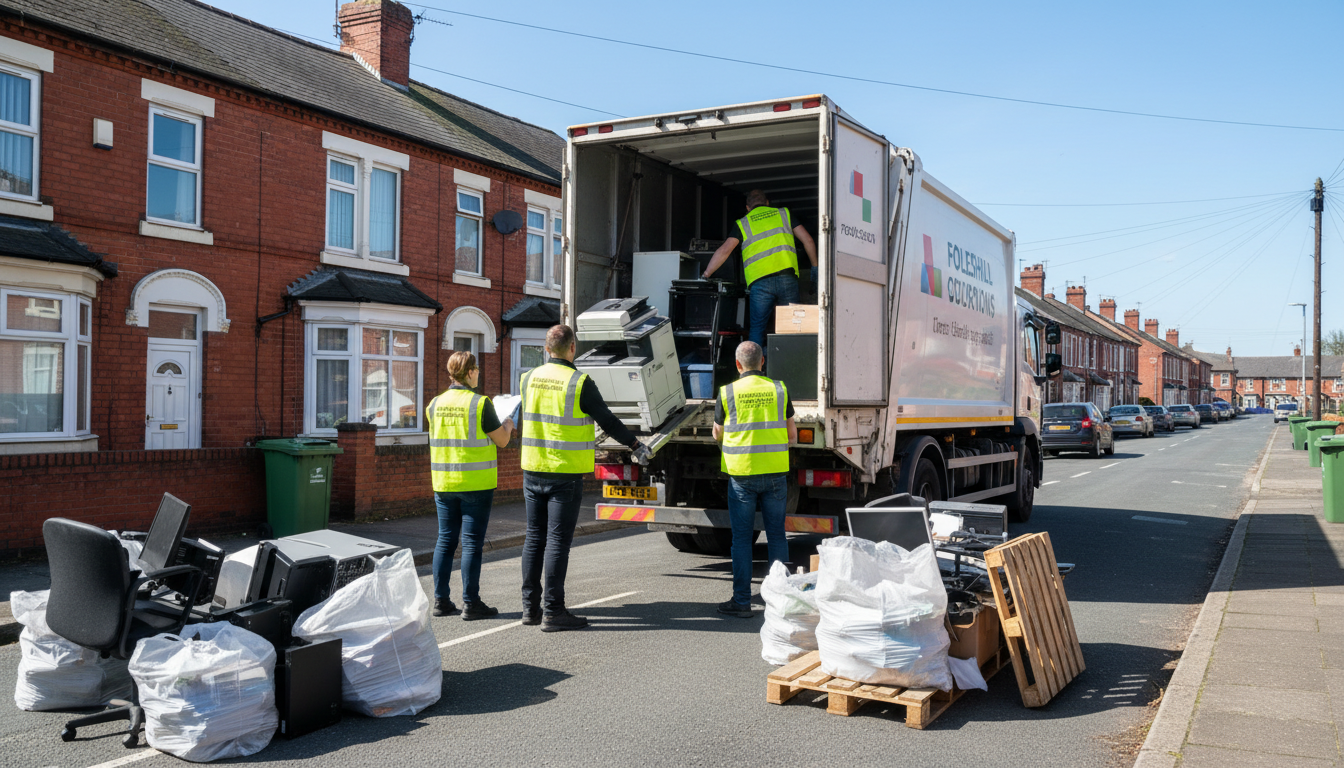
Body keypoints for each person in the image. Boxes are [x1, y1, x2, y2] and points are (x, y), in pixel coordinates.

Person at [519, 324, 653, 632]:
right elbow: (606, 419)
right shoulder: (578, 382)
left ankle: (530, 608)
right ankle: (553, 611)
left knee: (534, 537)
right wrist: (635, 444)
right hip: (564, 474)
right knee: (556, 541)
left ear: (545, 348)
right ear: (572, 349)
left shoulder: (528, 379)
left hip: (532, 469)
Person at [427, 351, 514, 620]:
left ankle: (441, 601)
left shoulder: (434, 404)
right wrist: (508, 425)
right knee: (472, 543)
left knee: (445, 540)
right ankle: (471, 603)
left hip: (443, 483)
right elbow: (501, 441)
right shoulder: (480, 404)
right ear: (468, 372)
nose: (479, 373)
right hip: (475, 485)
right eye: (476, 369)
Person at [712, 340, 795, 618]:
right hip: (775, 475)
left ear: (737, 365)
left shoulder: (727, 392)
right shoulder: (779, 389)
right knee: (776, 536)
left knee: (742, 540)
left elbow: (717, 433)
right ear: (763, 363)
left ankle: (742, 601)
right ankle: (781, 600)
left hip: (742, 476)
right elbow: (792, 435)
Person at [701, 189, 818, 347]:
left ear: (748, 207)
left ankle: (753, 367)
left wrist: (706, 274)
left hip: (760, 284)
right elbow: (809, 241)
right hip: (786, 280)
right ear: (767, 203)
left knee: (757, 329)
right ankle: (791, 365)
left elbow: (724, 251)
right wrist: (815, 268)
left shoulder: (742, 223)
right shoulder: (784, 214)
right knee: (793, 326)